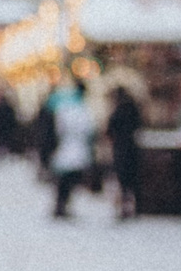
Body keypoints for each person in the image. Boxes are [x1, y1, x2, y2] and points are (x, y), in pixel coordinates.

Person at [49, 81, 96, 217]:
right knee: (68, 180)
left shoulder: (65, 106)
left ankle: (61, 206)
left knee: (64, 180)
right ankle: (62, 206)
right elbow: (87, 128)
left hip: (67, 148)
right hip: (72, 148)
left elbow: (59, 128)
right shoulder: (79, 108)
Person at [105, 82, 145, 218]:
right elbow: (140, 125)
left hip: (121, 148)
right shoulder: (134, 109)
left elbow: (109, 130)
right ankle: (134, 206)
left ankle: (124, 207)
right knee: (132, 180)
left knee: (123, 179)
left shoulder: (118, 111)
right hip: (132, 147)